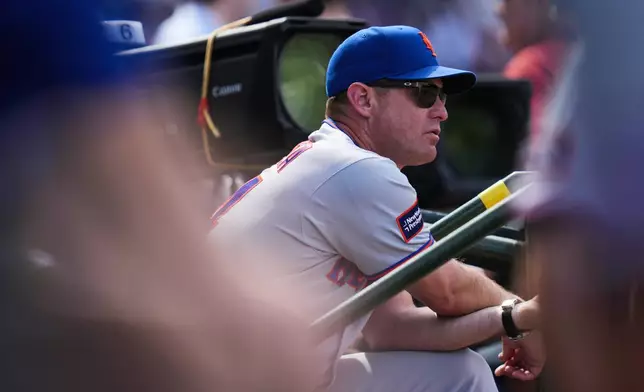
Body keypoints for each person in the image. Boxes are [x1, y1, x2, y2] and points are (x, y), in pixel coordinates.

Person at [209, 25, 544, 392]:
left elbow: (393, 328)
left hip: (253, 376)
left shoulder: (341, 164)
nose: (441, 112)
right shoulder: (357, 169)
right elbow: (448, 291)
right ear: (363, 100)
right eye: (424, 93)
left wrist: (512, 318)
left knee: (464, 372)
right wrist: (524, 313)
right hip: (215, 379)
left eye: (442, 97)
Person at [497, 0, 577, 146]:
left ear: (541, 5)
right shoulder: (591, 62)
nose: (499, 11)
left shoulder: (528, 69)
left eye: (507, 1)